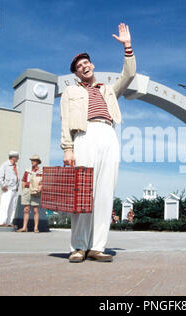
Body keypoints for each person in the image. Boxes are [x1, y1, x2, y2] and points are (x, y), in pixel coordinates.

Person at [61, 23, 136, 263]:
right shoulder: (70, 92)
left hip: (108, 133)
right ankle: (78, 247)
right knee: (84, 192)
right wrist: (68, 148)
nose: (84, 67)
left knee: (105, 192)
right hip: (84, 134)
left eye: (86, 63)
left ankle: (97, 246)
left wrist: (127, 46)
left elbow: (129, 74)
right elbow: (65, 121)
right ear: (76, 73)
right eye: (78, 66)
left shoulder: (108, 90)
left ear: (92, 65)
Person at [17, 155, 43, 233]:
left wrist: (40, 188)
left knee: (35, 209)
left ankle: (35, 227)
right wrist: (24, 189)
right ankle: (24, 227)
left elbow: (42, 182)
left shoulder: (41, 171)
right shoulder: (27, 170)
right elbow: (24, 180)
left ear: (38, 162)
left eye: (34, 160)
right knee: (26, 209)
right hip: (27, 190)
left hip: (35, 191)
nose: (32, 162)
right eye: (32, 160)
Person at [0, 151, 20, 228]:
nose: (18, 159)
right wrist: (3, 185)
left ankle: (9, 222)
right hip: (7, 189)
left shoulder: (15, 166)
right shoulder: (5, 165)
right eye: (17, 157)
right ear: (13, 157)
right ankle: (2, 222)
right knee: (5, 205)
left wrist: (17, 187)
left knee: (12, 207)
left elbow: (16, 177)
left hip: (14, 189)